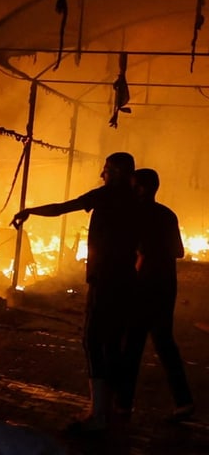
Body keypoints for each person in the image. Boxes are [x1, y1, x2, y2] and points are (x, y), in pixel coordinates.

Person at [10, 152, 139, 431]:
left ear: (115, 172)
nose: (101, 175)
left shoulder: (105, 196)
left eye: (105, 170)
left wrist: (30, 211)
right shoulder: (137, 201)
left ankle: (98, 413)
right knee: (115, 341)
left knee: (92, 340)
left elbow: (61, 208)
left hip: (104, 279)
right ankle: (113, 406)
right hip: (127, 280)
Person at [116, 168, 194, 422]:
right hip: (165, 285)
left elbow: (142, 253)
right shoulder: (167, 214)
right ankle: (184, 402)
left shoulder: (136, 214)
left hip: (143, 286)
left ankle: (123, 406)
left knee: (132, 345)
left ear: (142, 188)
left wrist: (133, 276)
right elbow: (179, 252)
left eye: (134, 185)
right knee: (164, 342)